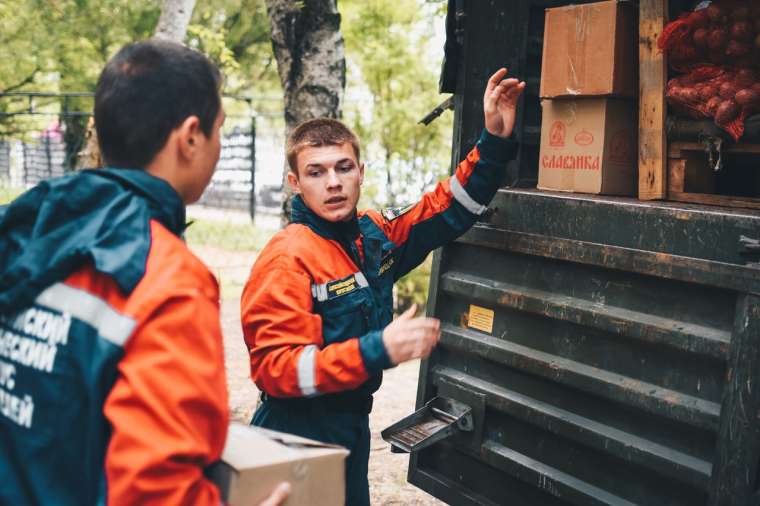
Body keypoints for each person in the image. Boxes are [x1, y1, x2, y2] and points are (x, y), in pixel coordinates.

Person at [0, 39, 288, 506]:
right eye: (219, 129)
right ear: (190, 137)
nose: (218, 145)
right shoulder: (168, 279)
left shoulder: (29, 227)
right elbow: (153, 493)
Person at [240, 68, 525, 505]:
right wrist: (378, 349)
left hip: (350, 429)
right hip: (294, 435)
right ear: (295, 184)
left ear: (360, 172)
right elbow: (277, 371)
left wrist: (493, 140)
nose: (333, 182)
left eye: (343, 167)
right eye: (316, 173)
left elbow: (447, 209)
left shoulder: (373, 236)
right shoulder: (287, 259)